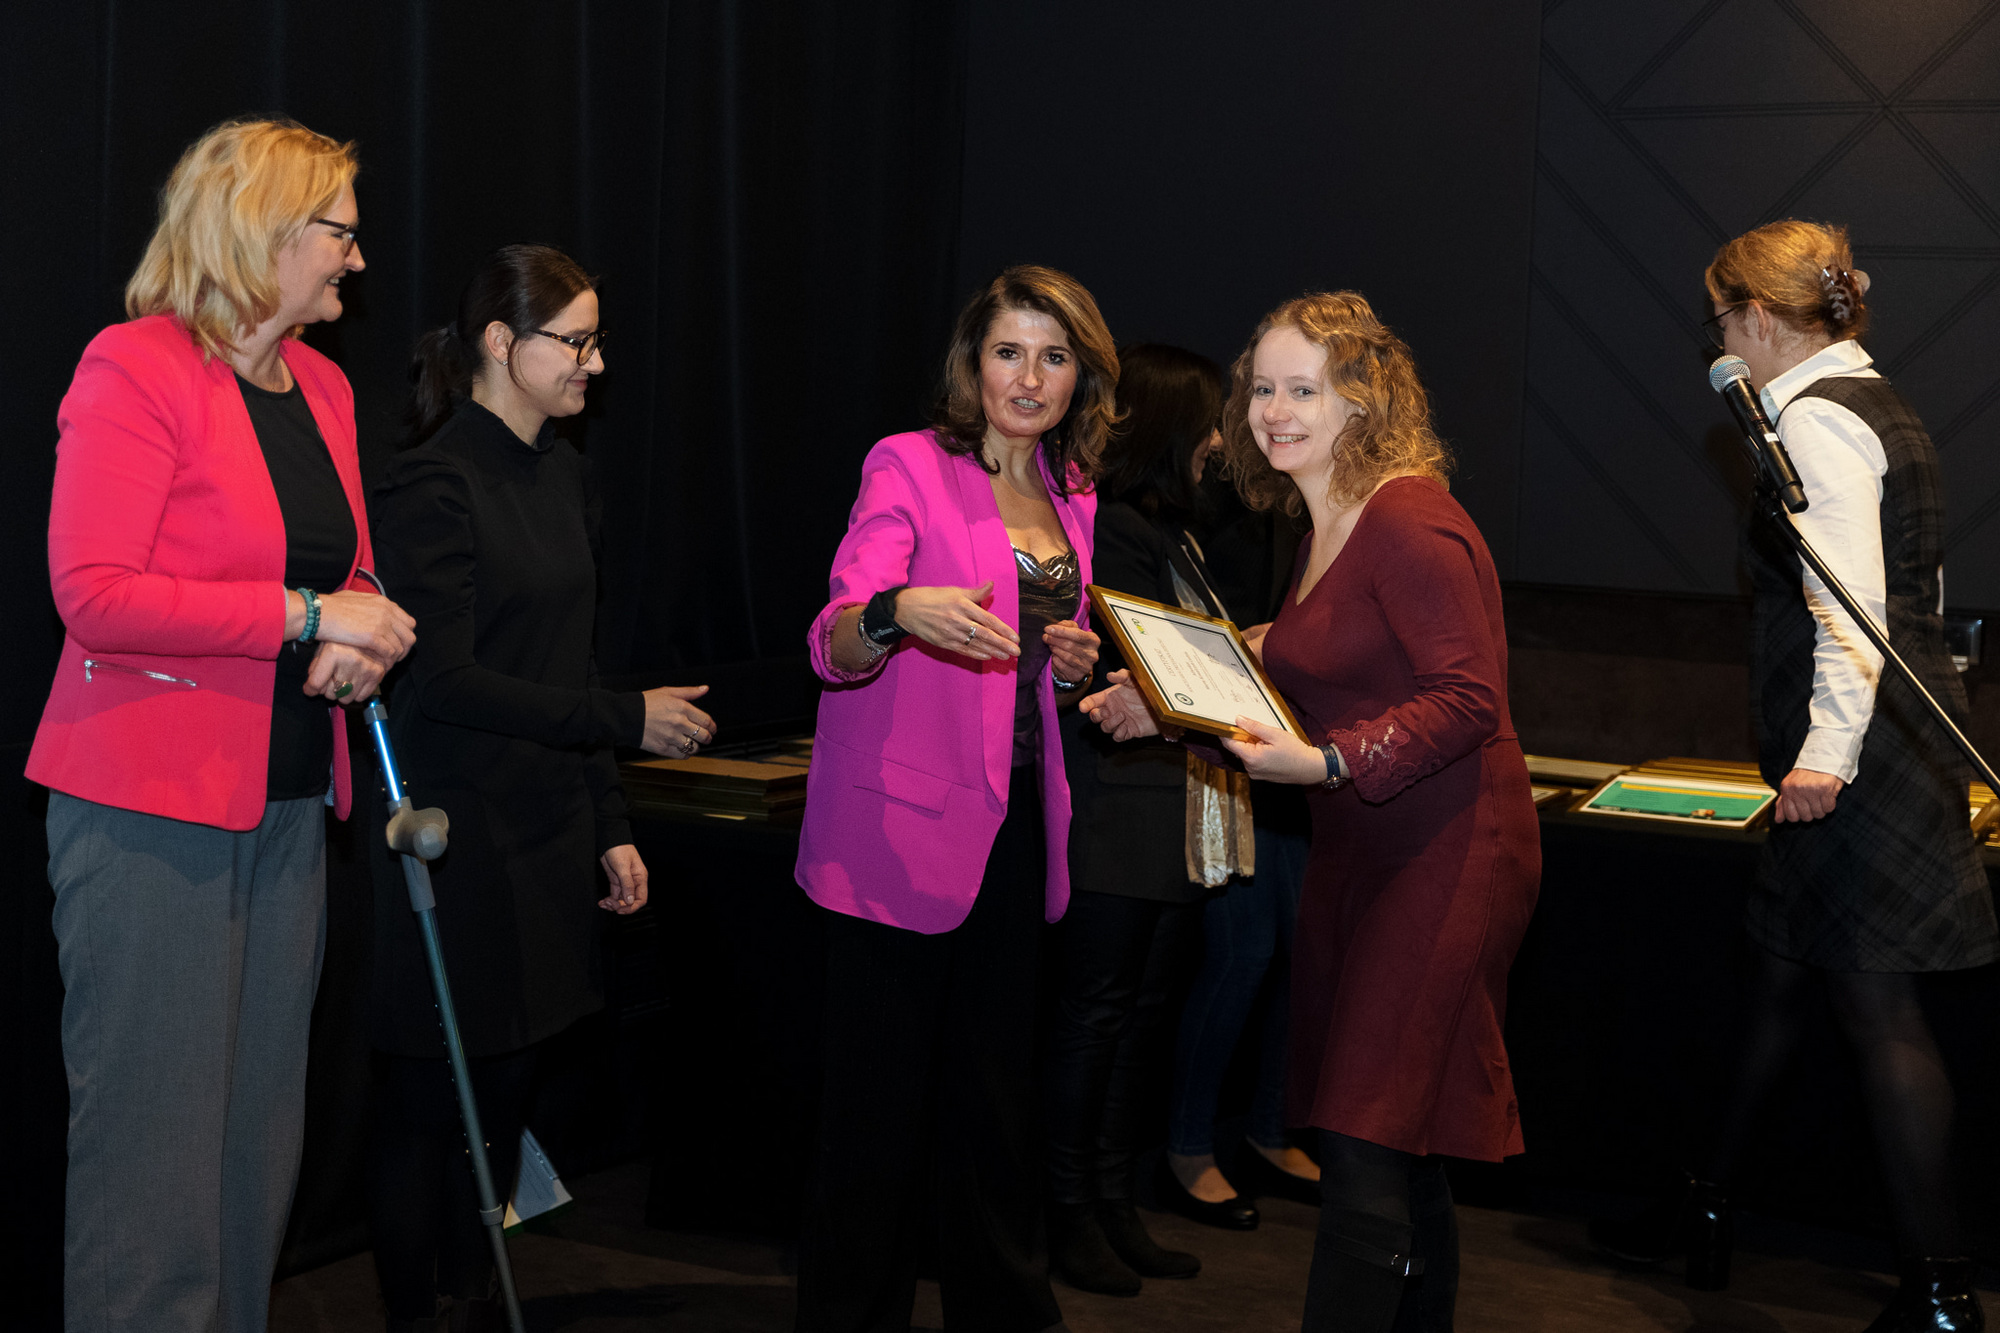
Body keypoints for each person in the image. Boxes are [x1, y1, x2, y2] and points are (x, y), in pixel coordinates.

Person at [1080, 292, 1540, 1332]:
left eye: (1304, 389)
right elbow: (1297, 682)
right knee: (1394, 1136)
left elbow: (1469, 700)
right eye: (1262, 388)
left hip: (1446, 849)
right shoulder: (1322, 520)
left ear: (1362, 402)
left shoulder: (1408, 519)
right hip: (1362, 846)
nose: (1273, 411)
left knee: (1367, 1134)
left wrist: (1328, 762)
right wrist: (1163, 705)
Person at [29, 118, 416, 1333]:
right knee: (154, 1160)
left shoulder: (326, 387)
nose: (359, 259)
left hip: (290, 802)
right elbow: (94, 593)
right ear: (264, 229)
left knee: (256, 1152)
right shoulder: (135, 366)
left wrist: (357, 633)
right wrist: (307, 615)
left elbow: (349, 566)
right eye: (341, 232)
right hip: (150, 810)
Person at [1591, 221, 1995, 1333]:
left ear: (1757, 318)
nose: (1716, 339)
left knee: (1878, 1008)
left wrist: (1823, 758)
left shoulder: (1815, 419)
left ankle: (1939, 1294)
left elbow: (1851, 611)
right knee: (1774, 973)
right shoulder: (1872, 400)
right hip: (1878, 742)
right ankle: (1705, 1205)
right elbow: (1916, 586)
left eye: (1720, 319)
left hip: (1858, 761)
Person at [366, 244, 714, 1331]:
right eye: (575, 342)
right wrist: (624, 721)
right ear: (497, 343)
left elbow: (573, 662)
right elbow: (447, 682)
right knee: (432, 1110)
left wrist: (609, 820)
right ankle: (417, 1313)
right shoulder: (432, 481)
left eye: (596, 342)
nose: (594, 365)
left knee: (508, 1095)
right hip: (460, 841)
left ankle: (473, 1298)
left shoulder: (563, 473)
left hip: (550, 832)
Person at [795, 265, 1113, 1333]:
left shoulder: (1074, 491)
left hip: (1016, 824)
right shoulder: (910, 464)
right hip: (897, 828)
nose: (1029, 377)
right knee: (875, 1113)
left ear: (1080, 377)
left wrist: (1065, 665)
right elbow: (835, 640)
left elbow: (1030, 664)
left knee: (997, 1101)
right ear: (971, 363)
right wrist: (898, 611)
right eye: (1008, 351)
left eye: (1053, 357)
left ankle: (1005, 1312)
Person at [1043, 344, 1232, 1294]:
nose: (1221, 441)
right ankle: (1067, 1211)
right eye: (1211, 420)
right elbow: (1146, 668)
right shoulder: (1114, 530)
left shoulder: (1175, 535)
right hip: (1116, 810)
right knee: (1096, 1018)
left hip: (1171, 812)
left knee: (1141, 1017)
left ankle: (1114, 1202)